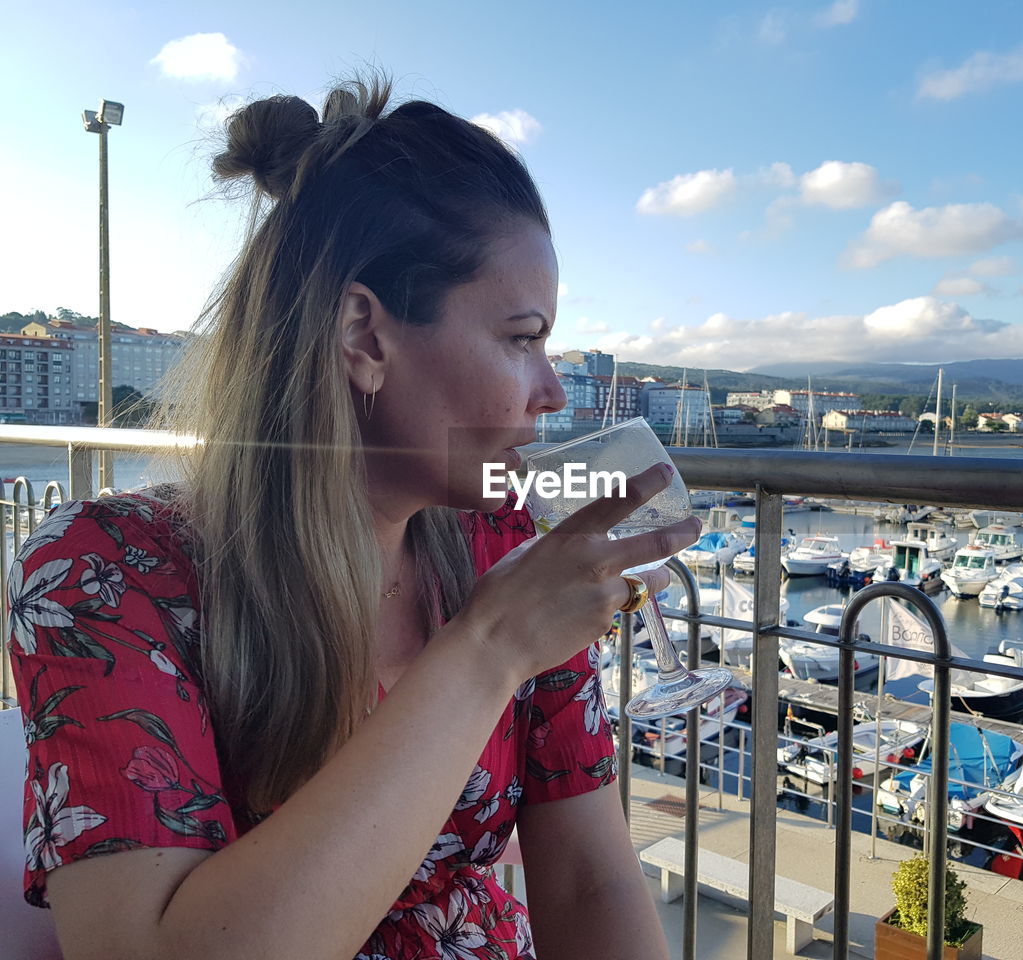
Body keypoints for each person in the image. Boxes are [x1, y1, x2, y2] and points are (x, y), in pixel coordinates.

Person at [7, 75, 698, 960]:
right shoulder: (105, 574)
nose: (552, 393)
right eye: (522, 339)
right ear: (365, 337)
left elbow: (588, 880)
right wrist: (486, 651)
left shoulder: (506, 544)